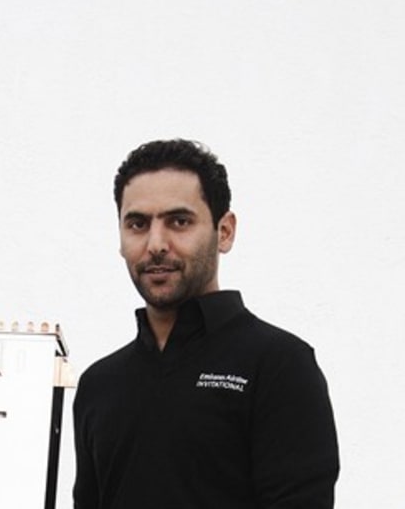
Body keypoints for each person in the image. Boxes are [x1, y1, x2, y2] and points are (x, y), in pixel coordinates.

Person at [72, 139, 339, 508]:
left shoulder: (279, 364)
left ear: (224, 231)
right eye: (137, 224)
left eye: (179, 221)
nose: (156, 244)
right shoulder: (98, 385)